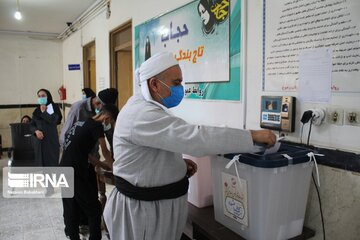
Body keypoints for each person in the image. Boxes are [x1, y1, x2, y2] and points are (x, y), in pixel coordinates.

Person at [103, 52, 276, 240]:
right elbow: (197, 138)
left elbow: (151, 151)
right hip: (144, 215)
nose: (180, 89)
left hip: (158, 208)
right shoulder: (141, 114)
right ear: (154, 84)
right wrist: (251, 136)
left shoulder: (147, 108)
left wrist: (177, 166)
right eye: (176, 83)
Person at [59, 87, 118, 236]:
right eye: (111, 121)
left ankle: (72, 236)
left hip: (64, 167)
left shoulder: (83, 122)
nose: (109, 124)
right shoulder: (97, 127)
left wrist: (104, 166)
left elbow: (86, 155)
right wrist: (115, 168)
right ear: (106, 118)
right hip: (75, 172)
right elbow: (104, 151)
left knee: (71, 207)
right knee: (94, 209)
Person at [30, 89, 62, 195]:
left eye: (43, 95)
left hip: (51, 141)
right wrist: (36, 131)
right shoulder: (36, 110)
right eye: (39, 96)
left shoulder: (54, 107)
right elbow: (31, 124)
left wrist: (45, 112)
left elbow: (55, 121)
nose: (41, 98)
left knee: (52, 163)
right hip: (40, 142)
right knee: (44, 165)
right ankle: (49, 187)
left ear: (48, 96)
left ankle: (53, 184)